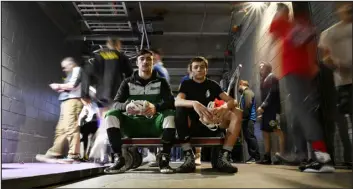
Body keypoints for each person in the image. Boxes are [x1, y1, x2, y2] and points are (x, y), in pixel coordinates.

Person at [269, 3, 335, 173]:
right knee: (297, 114)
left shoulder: (288, 25)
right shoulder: (305, 26)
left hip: (294, 72)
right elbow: (312, 47)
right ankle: (301, 154)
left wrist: (280, 11)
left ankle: (322, 156)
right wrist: (312, 65)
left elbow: (273, 29)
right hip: (303, 73)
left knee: (302, 112)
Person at [103, 49, 176, 174]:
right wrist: (126, 106)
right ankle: (118, 159)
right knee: (110, 115)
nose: (145, 61)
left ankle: (164, 159)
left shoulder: (161, 82)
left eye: (149, 59)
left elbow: (171, 103)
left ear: (153, 62)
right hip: (132, 125)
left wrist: (155, 108)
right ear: (137, 63)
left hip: (154, 124)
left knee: (170, 115)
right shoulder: (127, 82)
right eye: (142, 59)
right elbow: (116, 103)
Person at [174, 56, 242, 174]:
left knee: (237, 111)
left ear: (206, 70)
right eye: (196, 67)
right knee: (179, 110)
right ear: (191, 70)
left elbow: (233, 101)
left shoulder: (212, 84)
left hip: (211, 124)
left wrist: (223, 107)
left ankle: (224, 157)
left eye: (202, 67)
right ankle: (189, 157)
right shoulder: (186, 84)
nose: (199, 69)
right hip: (192, 127)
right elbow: (177, 101)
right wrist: (194, 103)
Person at [318, 2, 352, 167]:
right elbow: (326, 57)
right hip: (343, 83)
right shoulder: (330, 33)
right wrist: (339, 65)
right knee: (342, 123)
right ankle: (348, 156)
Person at [36, 57, 83, 163]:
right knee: (60, 130)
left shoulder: (77, 70)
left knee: (71, 128)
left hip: (73, 102)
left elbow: (73, 85)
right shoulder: (71, 73)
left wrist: (58, 85)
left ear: (71, 64)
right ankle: (54, 153)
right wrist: (61, 88)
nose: (64, 70)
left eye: (65, 67)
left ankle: (74, 155)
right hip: (67, 102)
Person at [256, 62, 285, 165]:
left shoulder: (272, 77)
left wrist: (263, 106)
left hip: (272, 110)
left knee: (276, 129)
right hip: (267, 112)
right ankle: (267, 156)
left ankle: (282, 154)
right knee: (265, 131)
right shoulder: (263, 80)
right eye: (259, 67)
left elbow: (271, 93)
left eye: (262, 67)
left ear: (268, 68)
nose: (260, 69)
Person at [238, 80, 261, 163]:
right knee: (248, 138)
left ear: (242, 84)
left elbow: (248, 105)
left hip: (248, 119)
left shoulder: (247, 92)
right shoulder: (245, 93)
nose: (238, 88)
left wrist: (243, 116)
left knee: (250, 137)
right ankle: (253, 156)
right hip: (247, 118)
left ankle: (255, 157)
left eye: (238, 86)